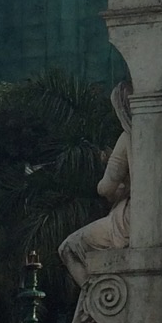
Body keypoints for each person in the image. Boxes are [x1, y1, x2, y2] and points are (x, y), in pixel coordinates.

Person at [58, 81, 132, 288]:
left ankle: (94, 303)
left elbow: (106, 188)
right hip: (148, 214)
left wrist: (109, 163)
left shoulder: (128, 139)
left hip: (129, 220)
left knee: (69, 248)